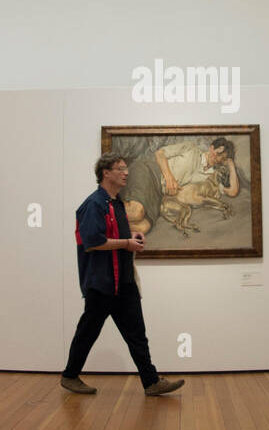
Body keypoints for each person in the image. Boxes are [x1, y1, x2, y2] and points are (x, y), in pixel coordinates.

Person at [61, 153, 186, 397]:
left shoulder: (117, 203)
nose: (126, 172)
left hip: (124, 281)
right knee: (88, 332)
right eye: (120, 168)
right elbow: (92, 242)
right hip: (102, 282)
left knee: (137, 334)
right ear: (105, 173)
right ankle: (69, 376)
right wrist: (127, 243)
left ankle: (151, 382)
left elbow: (118, 234)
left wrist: (134, 236)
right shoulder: (93, 204)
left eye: (126, 168)